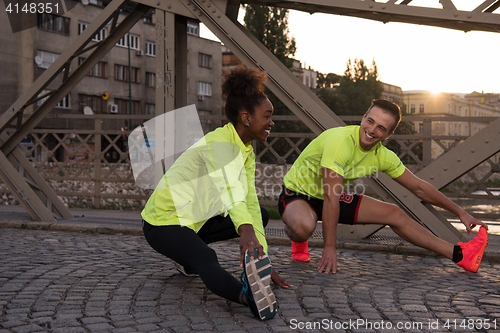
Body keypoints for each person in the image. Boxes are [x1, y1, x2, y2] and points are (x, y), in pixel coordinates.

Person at [141, 65, 292, 320]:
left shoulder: (244, 150)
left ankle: (186, 258)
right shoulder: (220, 143)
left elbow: (249, 202)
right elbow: (230, 190)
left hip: (193, 222)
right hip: (163, 222)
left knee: (259, 219)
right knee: (206, 257)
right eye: (267, 116)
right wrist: (244, 229)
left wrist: (261, 259)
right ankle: (248, 297)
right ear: (246, 117)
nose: (271, 122)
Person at [279, 99, 488, 274]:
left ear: (388, 135)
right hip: (297, 194)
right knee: (303, 227)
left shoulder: (383, 156)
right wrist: (329, 247)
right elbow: (332, 197)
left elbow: (419, 188)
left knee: (394, 213)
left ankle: (461, 255)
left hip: (329, 196)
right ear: (363, 119)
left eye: (380, 128)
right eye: (370, 121)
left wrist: (460, 212)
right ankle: (299, 241)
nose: (371, 130)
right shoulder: (339, 142)